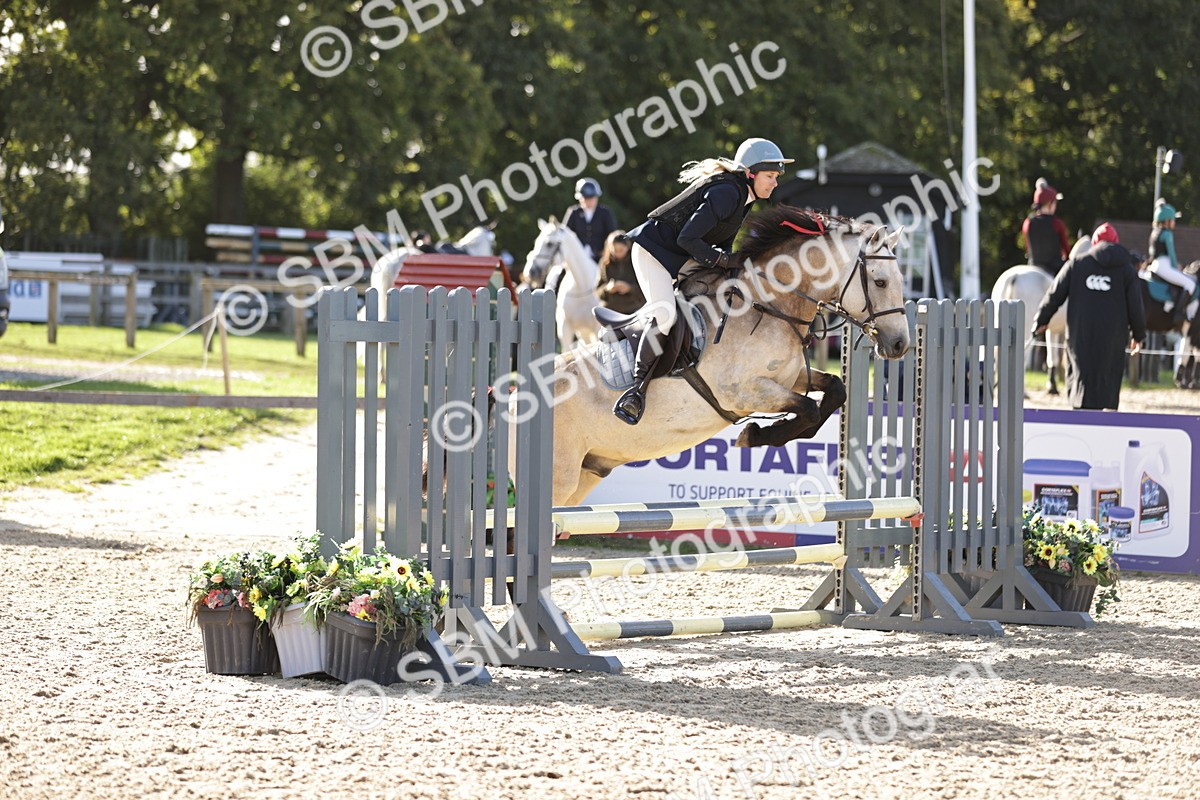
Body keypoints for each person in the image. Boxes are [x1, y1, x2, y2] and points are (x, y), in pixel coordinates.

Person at [613, 137, 792, 424]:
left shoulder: (743, 198)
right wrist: (723, 261)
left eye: (776, 177)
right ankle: (636, 389)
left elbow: (723, 245)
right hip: (653, 254)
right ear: (751, 173)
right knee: (665, 315)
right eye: (770, 176)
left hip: (679, 256)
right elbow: (688, 238)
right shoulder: (726, 193)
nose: (775, 183)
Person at [1033, 222, 1147, 410]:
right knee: (1108, 379)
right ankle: (1105, 413)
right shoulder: (1127, 270)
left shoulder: (1076, 265)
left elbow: (1054, 294)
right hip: (1113, 338)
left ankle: (1080, 412)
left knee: (1080, 379)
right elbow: (1136, 306)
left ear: (1094, 243)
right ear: (1116, 243)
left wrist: (1041, 320)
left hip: (1080, 336)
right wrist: (1138, 335)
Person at [1147, 199, 1197, 322]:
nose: (1174, 222)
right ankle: (1178, 314)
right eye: (1173, 220)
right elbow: (1172, 255)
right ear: (1167, 221)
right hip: (1164, 265)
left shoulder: (1155, 232)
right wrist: (1176, 267)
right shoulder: (1167, 234)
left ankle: (1170, 303)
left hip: (1155, 265)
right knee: (1191, 284)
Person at [1021, 178, 1070, 275]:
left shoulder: (1027, 222)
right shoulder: (1057, 223)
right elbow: (1066, 250)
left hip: (1033, 266)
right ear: (1050, 204)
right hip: (1055, 269)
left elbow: (1028, 247)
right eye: (1055, 203)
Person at [563, 177, 617, 261]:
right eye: (586, 198)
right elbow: (566, 233)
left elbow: (611, 233)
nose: (589, 201)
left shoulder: (605, 212)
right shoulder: (573, 212)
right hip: (577, 256)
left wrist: (606, 250)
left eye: (592, 198)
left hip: (600, 256)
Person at [595, 229, 646, 315]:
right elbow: (597, 291)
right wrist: (608, 289)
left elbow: (646, 289)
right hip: (610, 311)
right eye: (615, 250)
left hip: (633, 311)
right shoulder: (604, 263)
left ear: (627, 247)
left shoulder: (636, 262)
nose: (618, 253)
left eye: (621, 250)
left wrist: (630, 288)